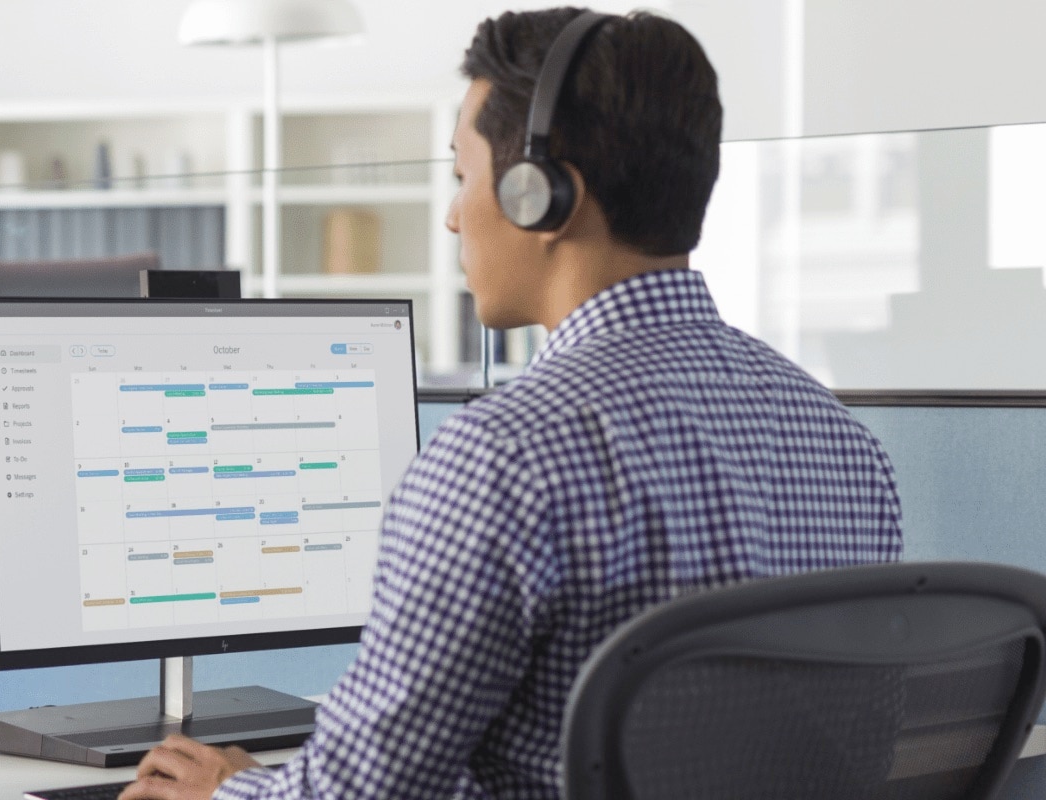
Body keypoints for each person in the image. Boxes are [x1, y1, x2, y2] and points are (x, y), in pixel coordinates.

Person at [121, 9, 903, 799]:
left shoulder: (502, 459)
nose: (456, 214)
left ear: (542, 195)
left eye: (463, 174)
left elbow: (366, 794)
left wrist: (224, 793)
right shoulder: (842, 442)